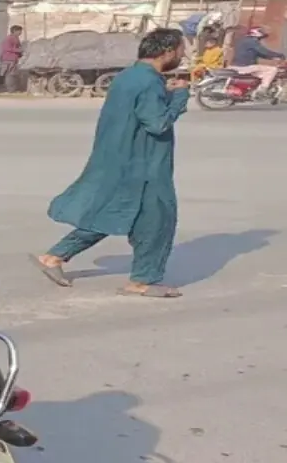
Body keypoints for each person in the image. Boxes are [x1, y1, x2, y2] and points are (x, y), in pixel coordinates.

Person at [32, 27, 192, 299]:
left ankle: (54, 257)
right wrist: (179, 97)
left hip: (119, 159)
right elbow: (157, 123)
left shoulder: (128, 76)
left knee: (114, 213)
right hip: (144, 165)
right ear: (167, 52)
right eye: (180, 50)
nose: (183, 55)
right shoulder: (149, 82)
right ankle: (142, 281)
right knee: (158, 219)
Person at [230, 25, 283, 91]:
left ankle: (254, 88)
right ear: (255, 33)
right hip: (246, 67)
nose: (261, 38)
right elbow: (264, 51)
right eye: (261, 35)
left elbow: (259, 53)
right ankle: (262, 90)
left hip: (235, 66)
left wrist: (273, 58)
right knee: (272, 69)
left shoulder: (242, 40)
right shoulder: (252, 41)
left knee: (261, 70)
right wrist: (281, 55)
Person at [0, 24, 24, 92]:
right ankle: (9, 89)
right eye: (19, 31)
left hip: (14, 59)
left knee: (13, 74)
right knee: (9, 75)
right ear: (14, 31)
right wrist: (18, 50)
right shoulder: (9, 38)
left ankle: (12, 89)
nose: (20, 33)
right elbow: (6, 48)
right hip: (8, 58)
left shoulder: (16, 38)